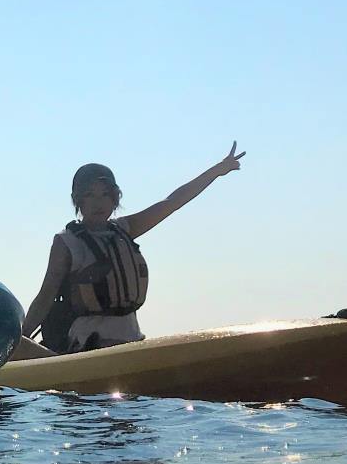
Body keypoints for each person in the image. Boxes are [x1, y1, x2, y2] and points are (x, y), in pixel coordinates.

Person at [22, 143, 246, 353]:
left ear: (115, 198)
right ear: (78, 200)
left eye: (104, 195)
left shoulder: (125, 229)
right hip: (87, 346)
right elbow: (46, 295)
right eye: (89, 195)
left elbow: (171, 203)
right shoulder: (66, 242)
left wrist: (216, 171)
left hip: (131, 341)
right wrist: (21, 339)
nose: (98, 203)